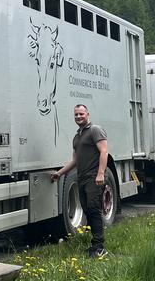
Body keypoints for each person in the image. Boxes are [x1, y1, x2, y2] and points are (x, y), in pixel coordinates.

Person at [52, 104, 109, 258]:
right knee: (86, 210)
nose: (78, 117)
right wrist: (60, 173)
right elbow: (75, 160)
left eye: (81, 114)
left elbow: (104, 151)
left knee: (93, 209)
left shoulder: (95, 130)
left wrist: (100, 173)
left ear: (87, 114)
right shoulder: (77, 137)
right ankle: (94, 245)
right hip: (81, 178)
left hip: (93, 177)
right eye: (76, 114)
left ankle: (100, 247)